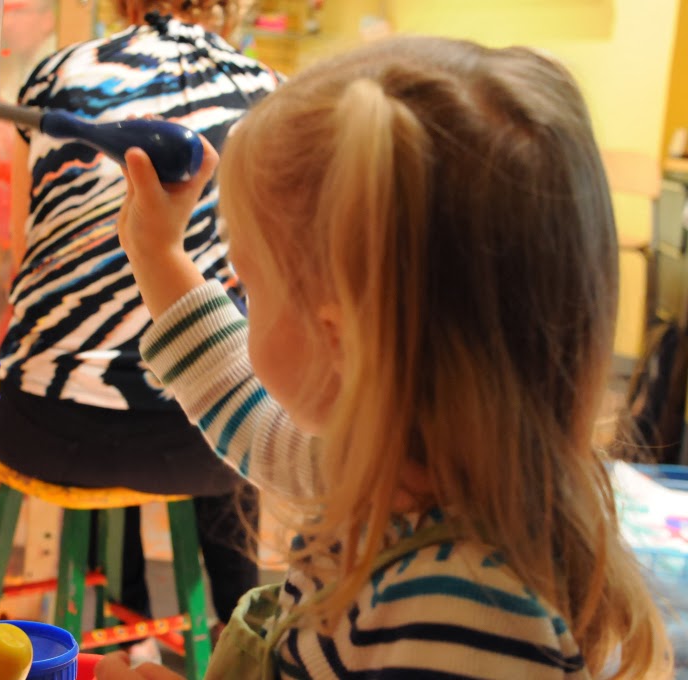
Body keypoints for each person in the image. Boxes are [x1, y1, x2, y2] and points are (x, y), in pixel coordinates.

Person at [98, 35, 673, 679]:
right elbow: (252, 417)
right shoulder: (399, 469)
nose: (242, 300)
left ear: (340, 340)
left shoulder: (464, 611)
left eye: (247, 286)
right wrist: (157, 256)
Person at [0, 0, 281, 662]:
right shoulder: (269, 97)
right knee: (223, 401)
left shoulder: (55, 75)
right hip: (206, 447)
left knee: (108, 368)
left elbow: (35, 243)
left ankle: (134, 627)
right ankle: (241, 628)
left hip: (41, 425)